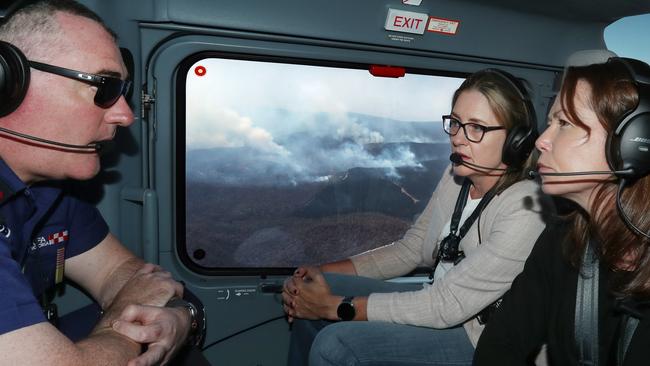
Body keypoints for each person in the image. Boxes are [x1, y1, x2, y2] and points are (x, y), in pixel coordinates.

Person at [282, 68, 552, 365]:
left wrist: (335, 307)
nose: (458, 139)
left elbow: (445, 305)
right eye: (456, 123)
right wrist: (317, 273)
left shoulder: (526, 210)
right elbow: (411, 249)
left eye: (476, 128)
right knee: (310, 294)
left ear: (516, 139)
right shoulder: (456, 178)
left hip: (481, 339)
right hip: (439, 300)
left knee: (336, 345)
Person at [0, 1, 205, 365]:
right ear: (7, 83)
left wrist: (180, 318)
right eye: (104, 86)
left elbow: (130, 274)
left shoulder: (49, 194)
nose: (126, 115)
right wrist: (119, 328)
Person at [473, 57, 650, 365]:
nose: (542, 141)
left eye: (565, 123)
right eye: (550, 122)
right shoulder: (562, 241)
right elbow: (499, 348)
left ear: (632, 142)